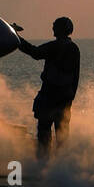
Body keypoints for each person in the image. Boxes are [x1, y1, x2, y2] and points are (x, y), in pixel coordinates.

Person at [17, 16, 81, 159]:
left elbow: (35, 52)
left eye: (55, 26)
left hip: (49, 98)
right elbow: (75, 77)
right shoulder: (74, 49)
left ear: (59, 29)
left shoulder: (54, 46)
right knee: (62, 136)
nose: (52, 29)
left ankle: (43, 165)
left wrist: (16, 38)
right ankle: (61, 168)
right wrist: (70, 99)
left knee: (44, 134)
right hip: (65, 100)